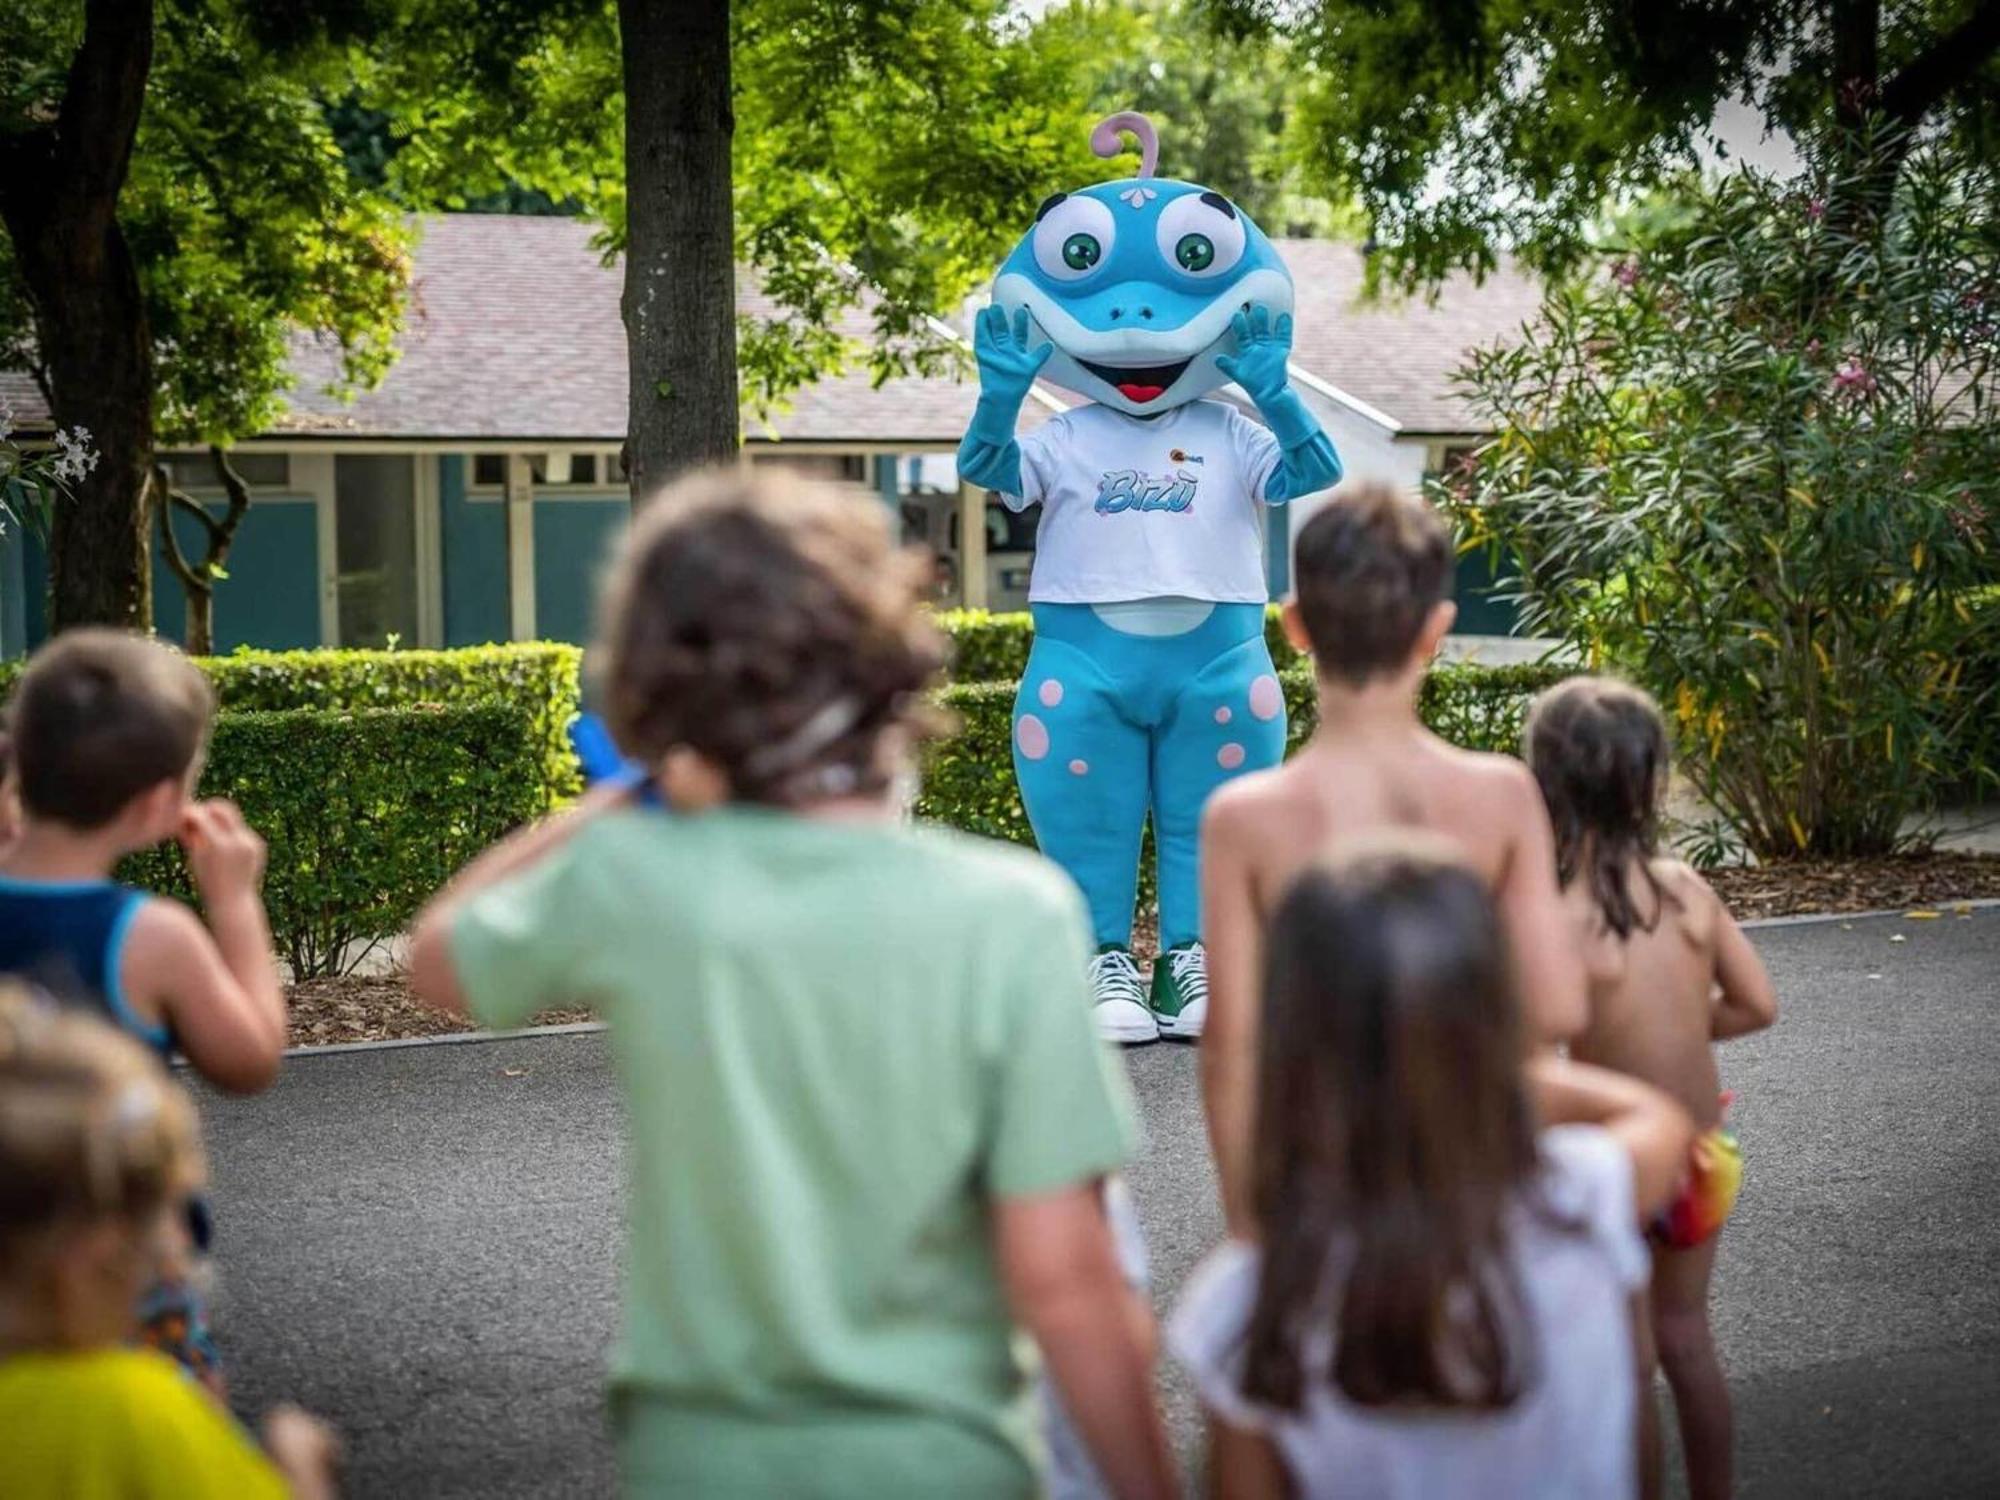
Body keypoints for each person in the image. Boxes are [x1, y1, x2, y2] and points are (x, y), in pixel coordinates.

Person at [407, 470, 1177, 1500]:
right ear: (889, 660)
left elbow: (439, 957)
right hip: (947, 1461)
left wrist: (628, 798)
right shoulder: (1013, 911)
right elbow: (1064, 1279)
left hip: (700, 1462)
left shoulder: (639, 879)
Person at [957, 109, 1342, 1043]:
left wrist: (1275, 388)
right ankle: (1103, 963)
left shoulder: (1230, 428)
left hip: (1220, 665)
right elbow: (988, 474)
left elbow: (1316, 473)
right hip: (1080, 666)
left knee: (1207, 826)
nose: (1136, 329)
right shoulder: (1067, 431)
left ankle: (1191, 960)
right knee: (1088, 823)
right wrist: (1001, 397)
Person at [1168, 845, 1694, 1500]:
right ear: (1495, 1016)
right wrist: (1492, 1073)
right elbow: (1660, 1121)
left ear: (1295, 1052)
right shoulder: (1575, 1198)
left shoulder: (1250, 1302)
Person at [1199, 481, 1586, 1232]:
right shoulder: (1500, 795)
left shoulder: (1243, 819)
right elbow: (1555, 1006)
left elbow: (1232, 1045)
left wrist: (1249, 1226)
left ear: (1296, 625)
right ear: (1435, 628)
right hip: (1474, 1163)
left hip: (1321, 1172)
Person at [0, 629, 287, 1387]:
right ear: (161, 803)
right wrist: (234, 903)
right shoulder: (150, 937)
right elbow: (250, 1057)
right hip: (115, 1271)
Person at [1525, 676, 1779, 1500]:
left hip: (1621, 1167)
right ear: (1654, 782)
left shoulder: (1556, 914)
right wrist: (1677, 1034)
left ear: (1547, 788)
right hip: (1706, 1157)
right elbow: (1755, 1005)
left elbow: (1532, 1048)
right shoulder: (1689, 890)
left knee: (1630, 1361)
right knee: (1688, 1338)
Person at [0, 986, 337, 1498]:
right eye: (165, 1219)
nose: (179, 1246)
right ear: (99, 1255)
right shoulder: (133, 1411)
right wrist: (300, 1466)